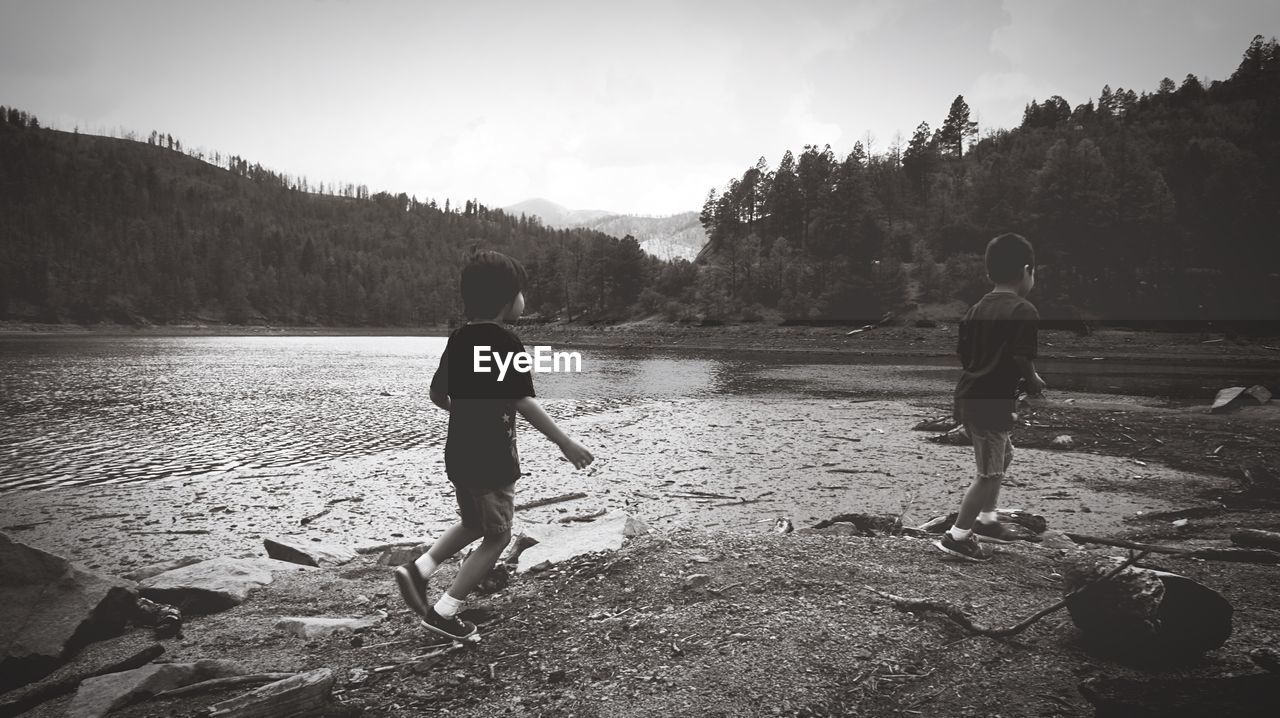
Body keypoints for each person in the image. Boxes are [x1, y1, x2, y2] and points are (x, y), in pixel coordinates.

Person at [395, 250, 595, 640]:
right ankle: (444, 611)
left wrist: (465, 411)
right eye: (521, 292)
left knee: (473, 522)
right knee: (498, 534)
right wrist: (565, 442)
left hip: (459, 455)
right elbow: (523, 401)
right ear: (507, 300)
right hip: (493, 460)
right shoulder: (505, 342)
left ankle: (418, 569)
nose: (524, 300)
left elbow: (438, 394)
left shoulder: (459, 338)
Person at [934, 233, 1046, 562]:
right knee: (988, 474)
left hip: (971, 397)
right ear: (1027, 270)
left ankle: (987, 519)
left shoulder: (975, 310)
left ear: (989, 274)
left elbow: (965, 357)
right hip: (990, 403)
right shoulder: (1024, 310)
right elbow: (1021, 357)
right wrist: (1034, 381)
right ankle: (958, 537)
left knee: (1004, 454)